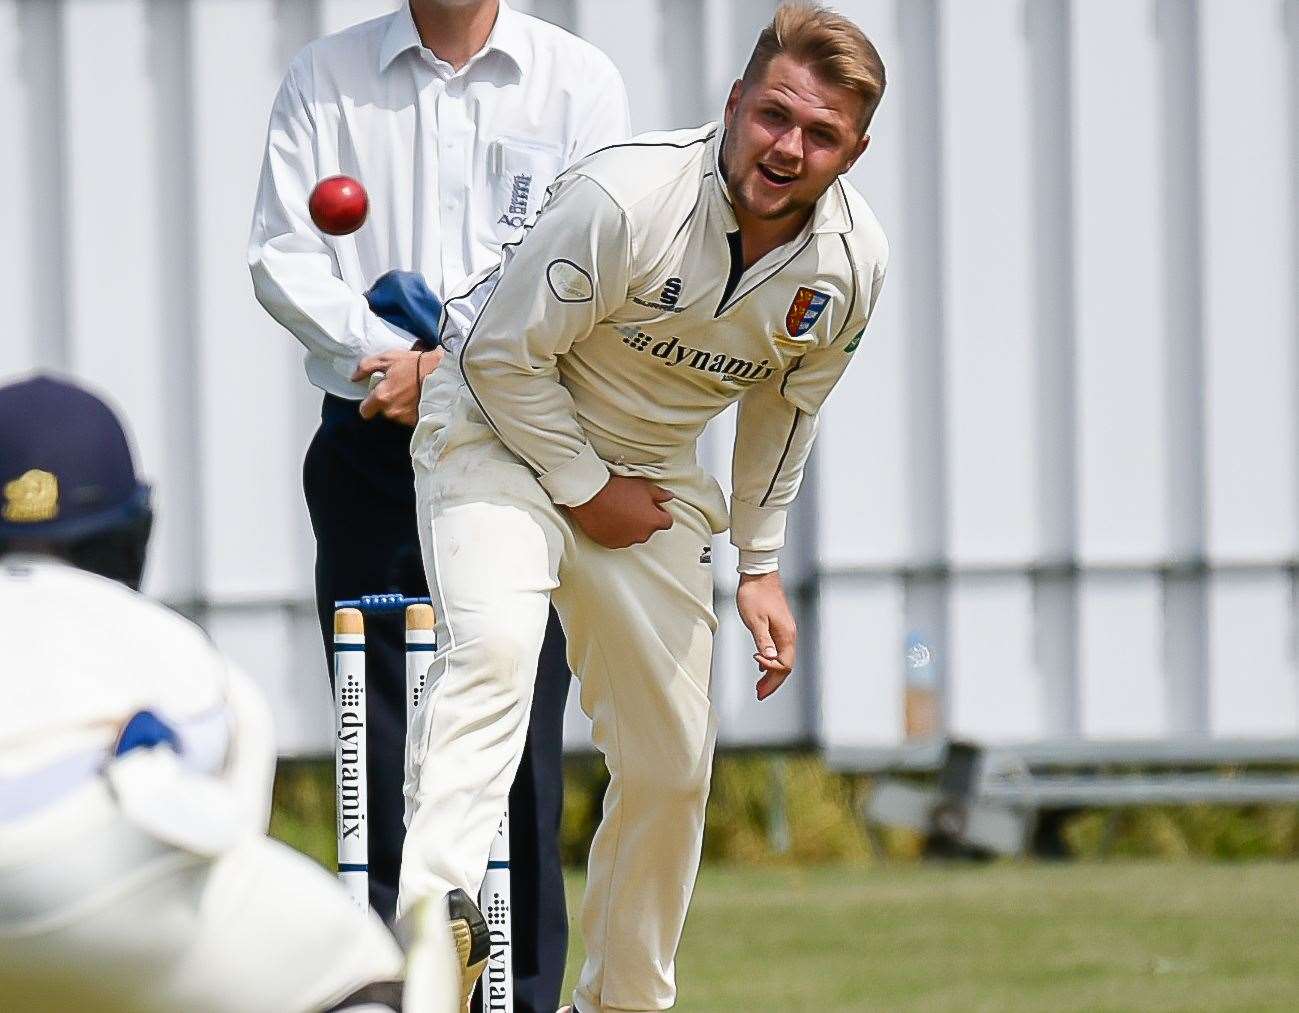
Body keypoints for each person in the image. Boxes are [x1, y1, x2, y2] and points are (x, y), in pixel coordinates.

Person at [399, 3, 889, 1009]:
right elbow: (496, 355)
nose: (789, 148)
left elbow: (784, 410)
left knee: (672, 762)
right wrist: (587, 490)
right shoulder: (628, 195)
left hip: (652, 475)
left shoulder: (849, 265)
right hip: (498, 430)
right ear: (736, 102)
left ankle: (622, 1001)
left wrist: (758, 560)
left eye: (822, 134)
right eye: (775, 117)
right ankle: (425, 968)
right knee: (490, 660)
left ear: (855, 150)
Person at [247, 2, 629, 1007]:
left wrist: (453, 368)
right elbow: (282, 254)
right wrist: (389, 352)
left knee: (514, 735)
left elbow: (596, 274)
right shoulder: (327, 76)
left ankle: (524, 990)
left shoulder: (575, 81)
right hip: (371, 436)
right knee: (375, 735)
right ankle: (388, 987)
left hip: (515, 447)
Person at [0, 375, 460, 1013]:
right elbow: (223, 846)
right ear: (130, 531)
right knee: (362, 973)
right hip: (106, 866)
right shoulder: (172, 645)